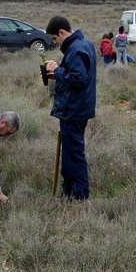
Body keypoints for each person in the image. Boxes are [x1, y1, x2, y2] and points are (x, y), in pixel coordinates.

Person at [44, 16, 97, 200]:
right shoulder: (85, 44)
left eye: (54, 38)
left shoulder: (76, 48)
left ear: (61, 32)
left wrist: (57, 70)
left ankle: (80, 195)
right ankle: (69, 192)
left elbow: (78, 79)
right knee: (70, 153)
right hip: (77, 108)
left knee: (74, 155)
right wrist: (57, 75)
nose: (55, 43)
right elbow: (75, 76)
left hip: (74, 110)